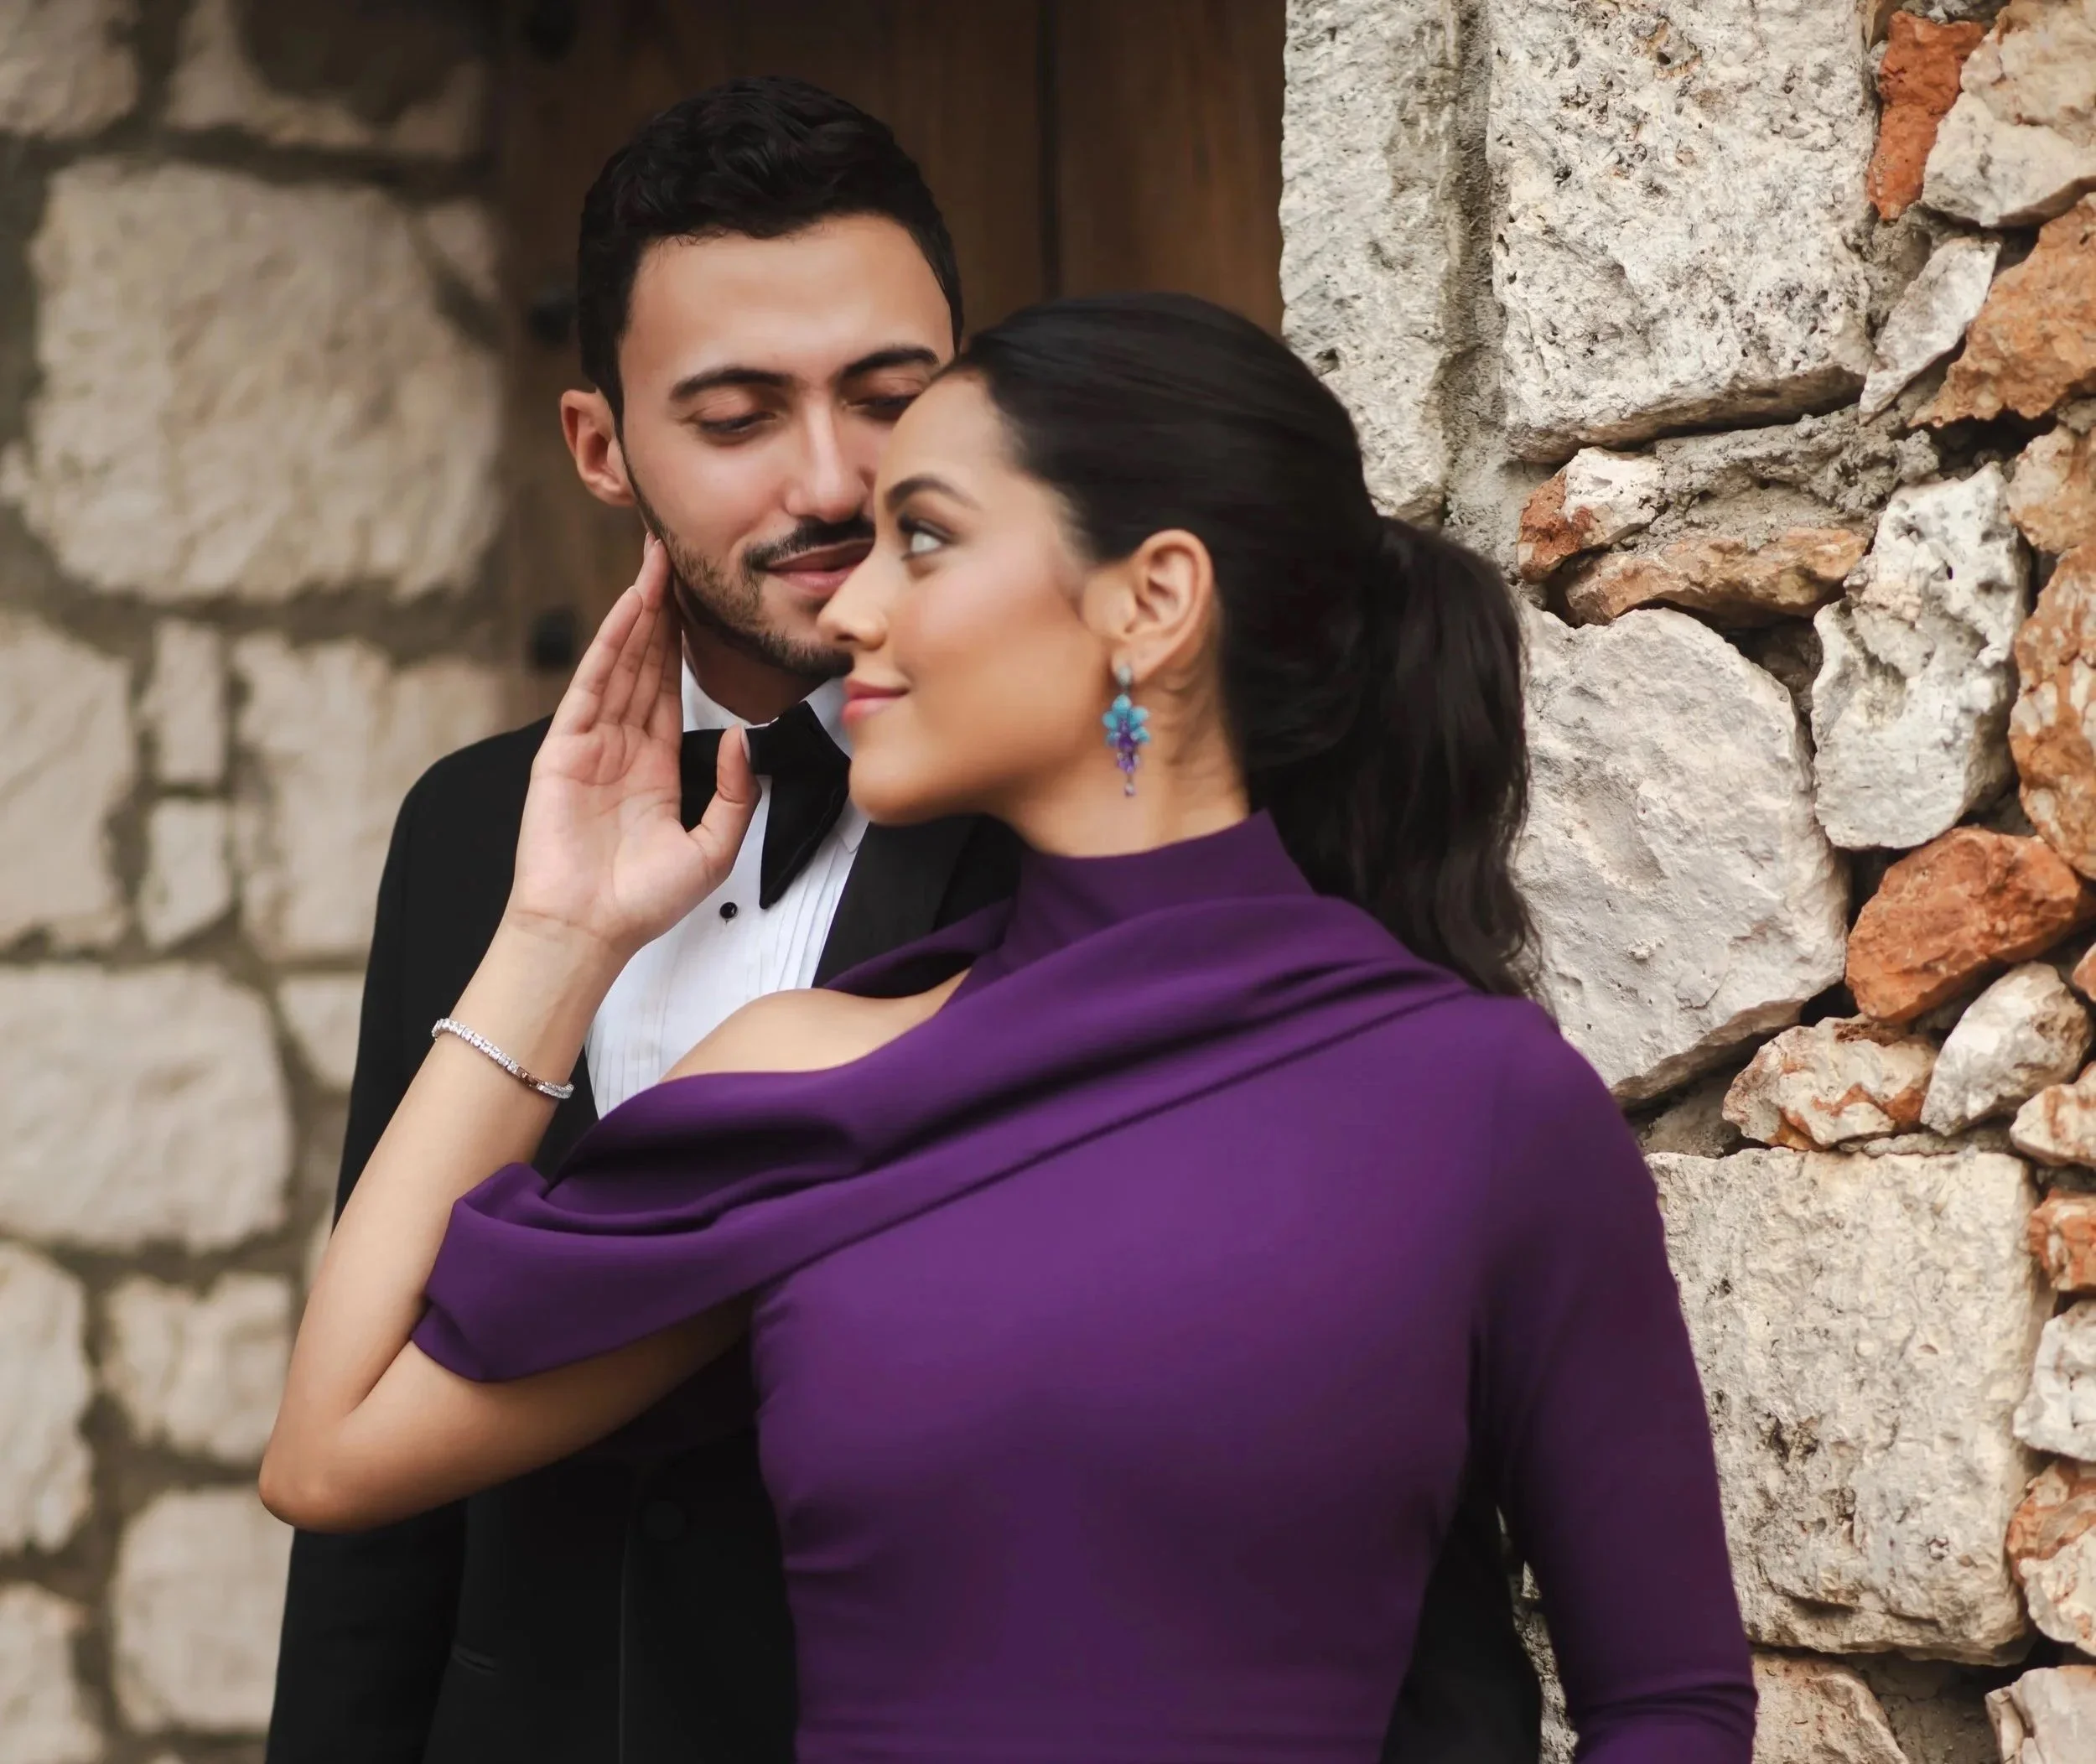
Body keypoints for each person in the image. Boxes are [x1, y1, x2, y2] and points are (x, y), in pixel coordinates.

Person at [261, 291, 1755, 1763]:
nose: (852, 607)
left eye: (924, 537)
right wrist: (557, 935)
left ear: (1150, 602)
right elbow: (335, 1448)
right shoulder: (811, 1070)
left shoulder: (1482, 1103)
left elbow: (1669, 1707)